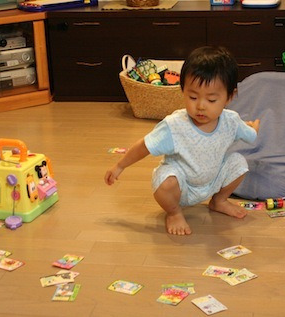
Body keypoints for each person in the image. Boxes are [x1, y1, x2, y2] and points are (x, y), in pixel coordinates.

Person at [105, 46, 260, 235]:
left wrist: (253, 128)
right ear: (182, 90)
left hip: (213, 181)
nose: (201, 106)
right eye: (193, 97)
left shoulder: (231, 121)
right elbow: (144, 146)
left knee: (239, 163)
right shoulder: (174, 125)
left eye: (211, 100)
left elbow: (250, 134)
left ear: (229, 97)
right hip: (182, 186)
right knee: (165, 182)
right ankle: (174, 212)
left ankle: (219, 201)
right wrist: (120, 166)